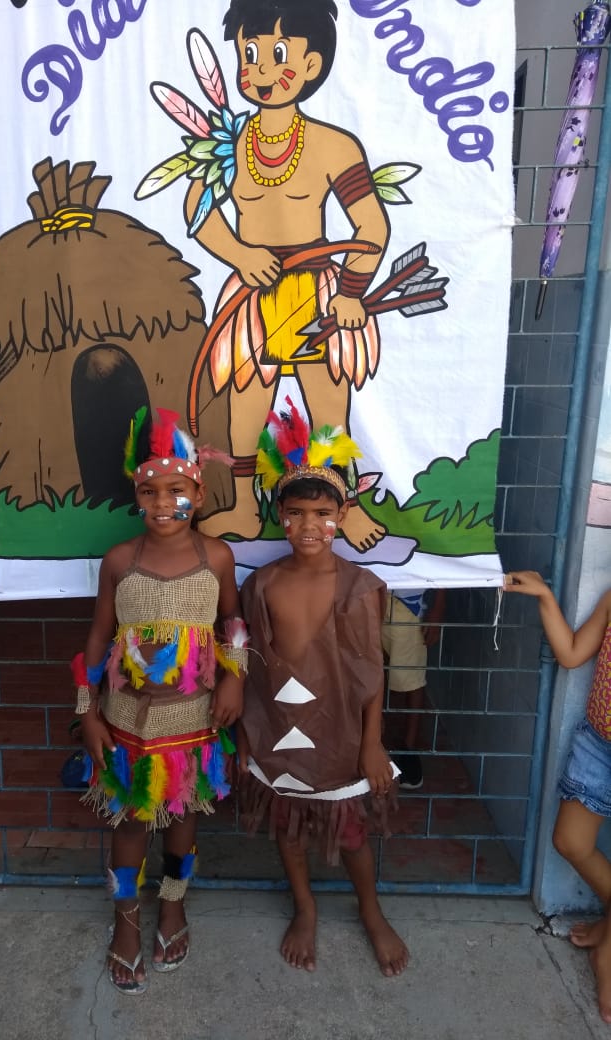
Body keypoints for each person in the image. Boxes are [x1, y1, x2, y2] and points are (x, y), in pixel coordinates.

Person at [185, 0, 390, 549]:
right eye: (249, 54)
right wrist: (240, 254)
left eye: (278, 54)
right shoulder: (227, 144)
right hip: (252, 294)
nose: (261, 69)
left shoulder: (334, 145)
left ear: (312, 64)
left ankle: (344, 508)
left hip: (316, 289)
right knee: (246, 405)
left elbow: (371, 225)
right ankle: (244, 508)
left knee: (327, 409)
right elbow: (197, 212)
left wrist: (351, 293)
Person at [75, 406, 246, 995]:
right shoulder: (120, 560)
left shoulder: (216, 557)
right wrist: (86, 712)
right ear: (136, 497)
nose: (162, 503)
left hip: (193, 717)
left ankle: (173, 902)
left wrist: (235, 678)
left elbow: (233, 624)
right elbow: (97, 639)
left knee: (182, 816)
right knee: (131, 819)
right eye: (149, 492)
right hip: (127, 718)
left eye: (176, 490)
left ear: (198, 495)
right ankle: (126, 919)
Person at [237, 401, 408, 976]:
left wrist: (371, 743)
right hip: (278, 732)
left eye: (322, 513)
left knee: (351, 832)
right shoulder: (261, 585)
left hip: (340, 735)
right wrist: (247, 732)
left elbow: (370, 672)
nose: (309, 525)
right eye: (296, 513)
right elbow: (252, 665)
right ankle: (304, 908)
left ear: (342, 514)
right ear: (279, 516)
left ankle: (370, 910)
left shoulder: (362, 587)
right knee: (288, 828)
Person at [506, 570, 611, 1023]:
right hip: (599, 743)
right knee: (570, 841)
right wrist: (545, 596)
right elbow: (570, 654)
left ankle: (607, 958)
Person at [382, 587, 446, 790]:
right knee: (369, 673)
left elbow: (442, 568)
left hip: (408, 605)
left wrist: (437, 611)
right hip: (368, 597)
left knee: (411, 680)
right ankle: (371, 744)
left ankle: (408, 750)